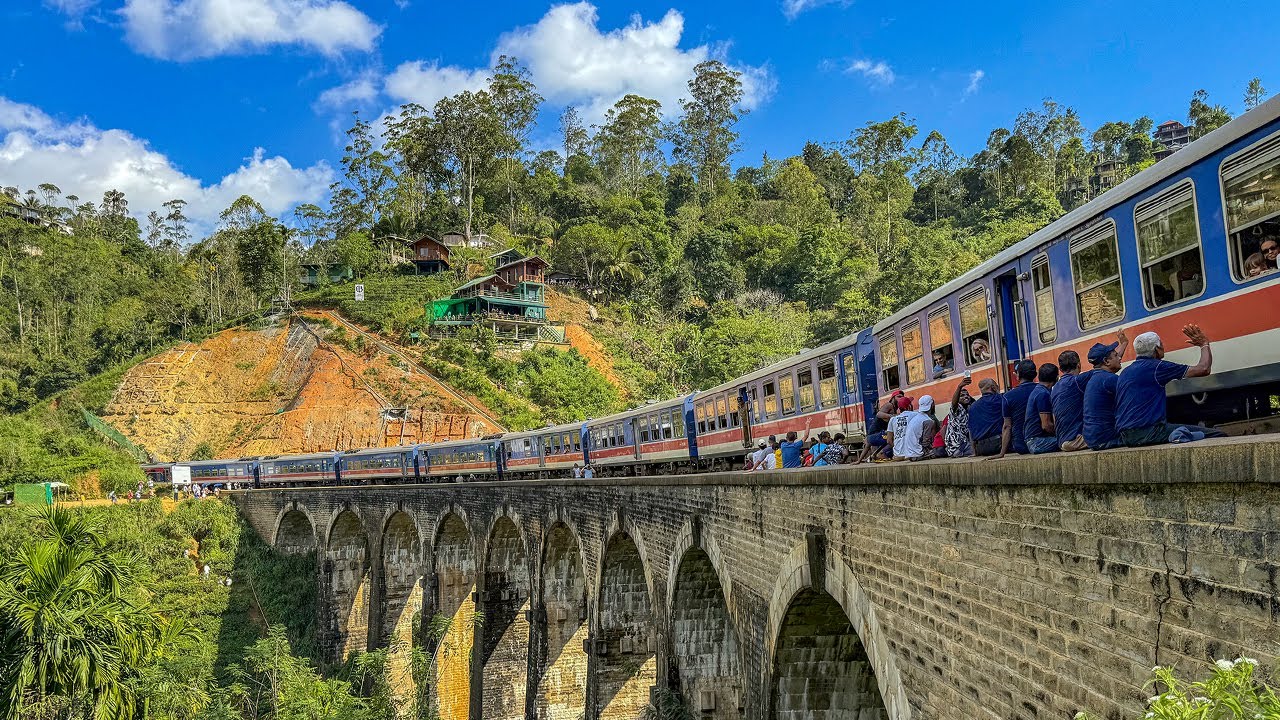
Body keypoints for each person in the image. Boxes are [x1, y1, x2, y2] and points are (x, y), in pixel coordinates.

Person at [1116, 325, 1226, 446]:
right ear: (1157, 349)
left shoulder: (1126, 371)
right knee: (1218, 436)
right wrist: (1204, 344)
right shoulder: (1157, 367)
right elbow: (1204, 369)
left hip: (1127, 436)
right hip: (1148, 432)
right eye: (1161, 344)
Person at [1002, 360, 1040, 455]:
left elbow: (1007, 426)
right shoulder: (1043, 390)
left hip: (1020, 446)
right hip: (1041, 442)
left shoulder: (1007, 396)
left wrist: (1002, 452)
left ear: (1017, 375)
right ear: (1035, 374)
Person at [855, 392, 903, 464]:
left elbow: (868, 445)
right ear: (893, 398)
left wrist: (859, 460)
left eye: (902, 397)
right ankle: (881, 454)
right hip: (875, 435)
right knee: (891, 438)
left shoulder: (895, 408)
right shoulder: (889, 405)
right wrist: (893, 416)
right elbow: (879, 414)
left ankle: (875, 455)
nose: (901, 398)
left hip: (873, 437)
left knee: (888, 438)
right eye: (898, 397)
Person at [968, 378, 1011, 457]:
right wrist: (997, 392)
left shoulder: (972, 406)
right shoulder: (1001, 399)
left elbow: (971, 431)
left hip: (981, 448)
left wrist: (974, 452)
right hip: (999, 444)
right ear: (993, 387)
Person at [1024, 364, 1060, 454]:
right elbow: (1046, 425)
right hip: (1037, 442)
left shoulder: (1038, 390)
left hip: (1033, 441)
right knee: (1066, 441)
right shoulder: (1043, 394)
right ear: (1056, 378)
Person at [944, 376, 976, 458]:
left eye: (967, 395)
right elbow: (954, 403)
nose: (966, 396)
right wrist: (960, 386)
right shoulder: (956, 409)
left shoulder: (967, 410)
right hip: (957, 447)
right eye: (962, 395)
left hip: (963, 445)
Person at [905, 395, 939, 462]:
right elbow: (925, 442)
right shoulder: (928, 421)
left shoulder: (916, 418)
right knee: (939, 451)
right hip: (918, 453)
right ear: (932, 405)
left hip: (909, 453)